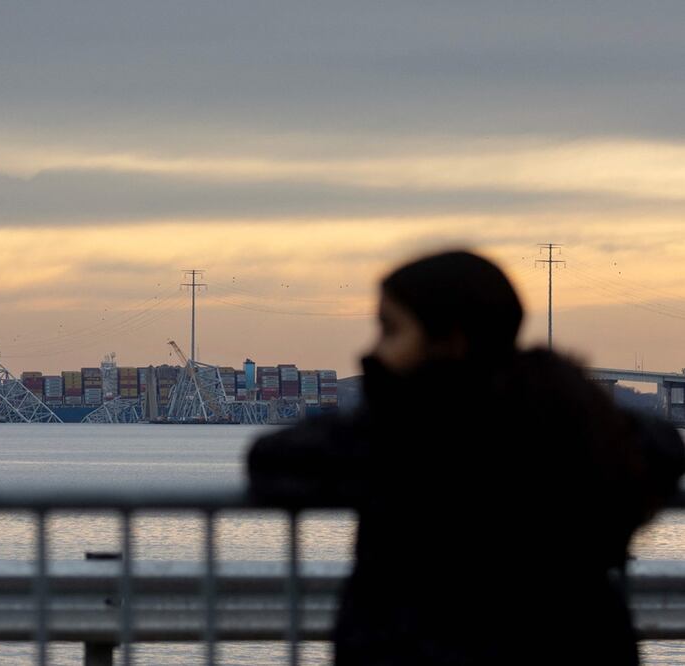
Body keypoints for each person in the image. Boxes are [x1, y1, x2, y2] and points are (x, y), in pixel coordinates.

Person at [247, 250, 685, 665]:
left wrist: (391, 396)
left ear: (451, 341)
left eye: (392, 330)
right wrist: (566, 396)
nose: (375, 351)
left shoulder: (402, 439)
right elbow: (662, 448)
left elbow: (274, 461)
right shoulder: (573, 435)